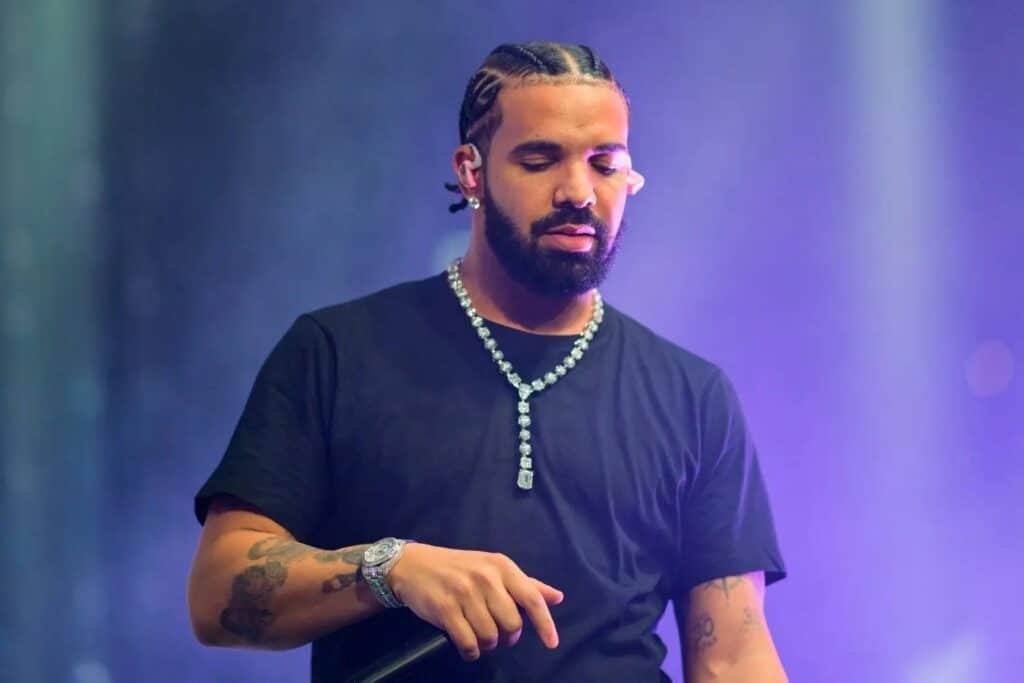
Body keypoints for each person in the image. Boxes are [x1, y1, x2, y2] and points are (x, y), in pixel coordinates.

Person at [188, 42, 787, 682]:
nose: (578, 192)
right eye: (539, 160)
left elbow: (733, 656)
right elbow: (218, 594)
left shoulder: (692, 394)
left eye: (605, 164)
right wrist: (390, 569)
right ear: (471, 171)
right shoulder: (335, 352)